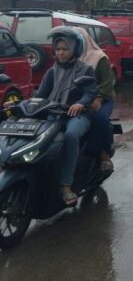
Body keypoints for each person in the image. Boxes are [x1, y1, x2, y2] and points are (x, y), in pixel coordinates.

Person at [38, 28, 97, 206]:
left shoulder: (85, 70)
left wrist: (80, 103)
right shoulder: (52, 72)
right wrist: (21, 104)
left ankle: (66, 185)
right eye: (58, 49)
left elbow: (90, 93)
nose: (61, 53)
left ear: (74, 49)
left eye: (65, 49)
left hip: (79, 116)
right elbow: (40, 95)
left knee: (71, 135)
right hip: (54, 115)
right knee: (37, 136)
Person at [76, 27, 115, 173]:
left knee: (98, 119)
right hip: (77, 100)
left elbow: (107, 83)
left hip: (102, 98)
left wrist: (98, 99)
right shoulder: (67, 59)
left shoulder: (99, 58)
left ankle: (104, 155)